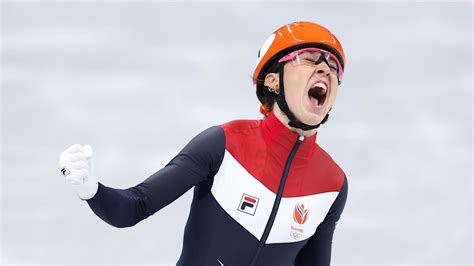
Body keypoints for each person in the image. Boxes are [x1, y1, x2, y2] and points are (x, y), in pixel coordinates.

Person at [58, 21, 348, 266]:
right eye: (310, 59)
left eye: (334, 66)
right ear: (272, 81)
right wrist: (92, 190)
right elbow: (134, 207)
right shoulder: (224, 145)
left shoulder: (332, 184)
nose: (326, 70)